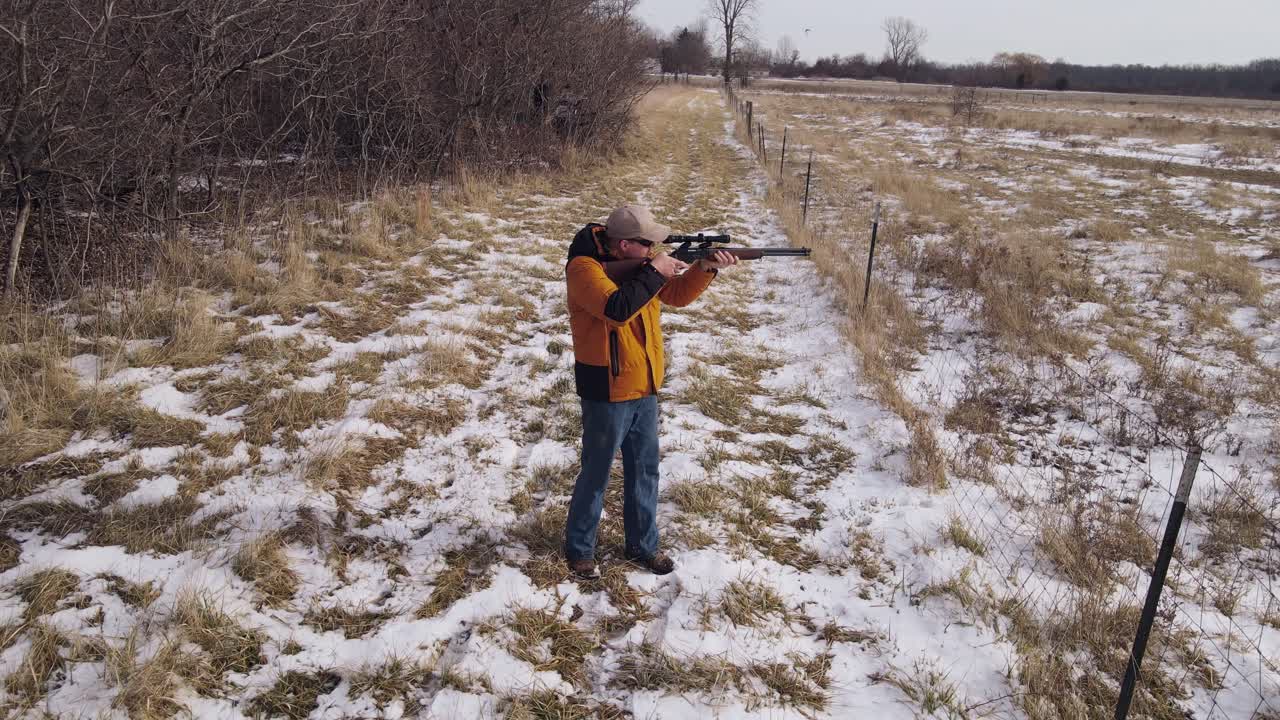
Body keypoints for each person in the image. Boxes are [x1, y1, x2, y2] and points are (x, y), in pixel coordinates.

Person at [562, 204, 738, 579]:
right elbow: (617, 308)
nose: (655, 250)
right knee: (596, 472)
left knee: (645, 471)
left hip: (644, 386)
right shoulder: (584, 269)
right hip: (606, 387)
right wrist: (656, 271)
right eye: (648, 245)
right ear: (625, 245)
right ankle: (580, 550)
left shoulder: (639, 267)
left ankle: (643, 545)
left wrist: (704, 268)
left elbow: (674, 295)